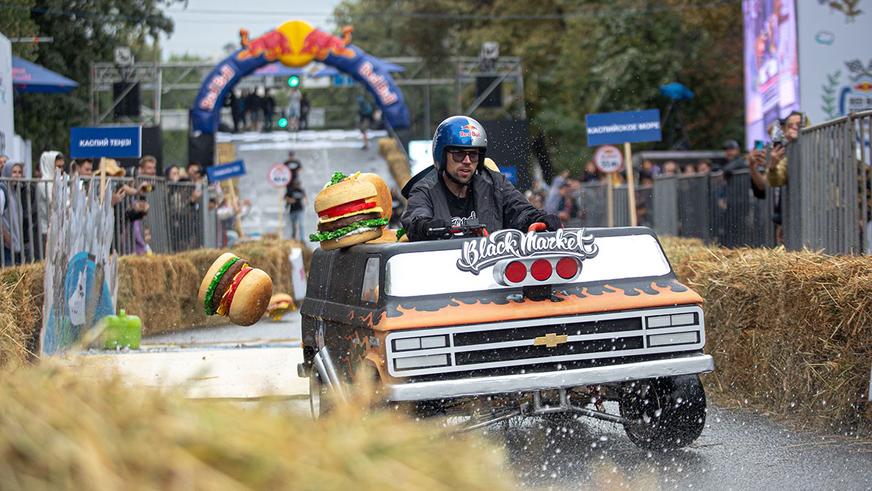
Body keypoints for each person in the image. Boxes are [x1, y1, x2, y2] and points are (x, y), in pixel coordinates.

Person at [401, 116, 561, 241]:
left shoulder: (495, 183)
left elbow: (520, 210)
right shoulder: (425, 189)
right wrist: (427, 226)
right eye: (459, 154)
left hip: (490, 270)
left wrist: (539, 218)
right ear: (442, 156)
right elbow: (416, 218)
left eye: (473, 154)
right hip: (443, 270)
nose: (467, 161)